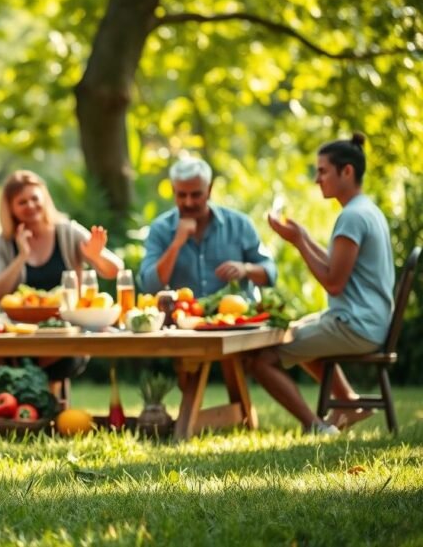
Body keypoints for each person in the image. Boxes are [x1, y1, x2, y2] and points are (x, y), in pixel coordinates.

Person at [248, 133, 394, 434]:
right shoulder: (365, 210)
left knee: (261, 360)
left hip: (356, 325)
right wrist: (302, 236)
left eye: (322, 171)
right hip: (367, 321)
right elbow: (334, 265)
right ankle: (349, 403)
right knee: (294, 332)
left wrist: (299, 241)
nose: (317, 179)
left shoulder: (352, 217)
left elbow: (333, 282)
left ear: (347, 171)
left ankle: (315, 425)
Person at [0, 170, 124, 389]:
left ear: (44, 199)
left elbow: (114, 270)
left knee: (44, 356)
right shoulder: (2, 244)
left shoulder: (68, 232)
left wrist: (95, 256)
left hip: (66, 334)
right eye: (22, 202)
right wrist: (22, 257)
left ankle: (38, 400)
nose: (31, 205)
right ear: (11, 208)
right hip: (17, 335)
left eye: (35, 198)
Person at [139, 157, 277, 299]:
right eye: (182, 195)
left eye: (196, 194)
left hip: (239, 319)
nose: (189, 202)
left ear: (209, 189)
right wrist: (176, 244)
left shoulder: (240, 224)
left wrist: (246, 269)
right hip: (182, 318)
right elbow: (150, 287)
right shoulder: (160, 229)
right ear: (173, 191)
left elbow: (271, 273)